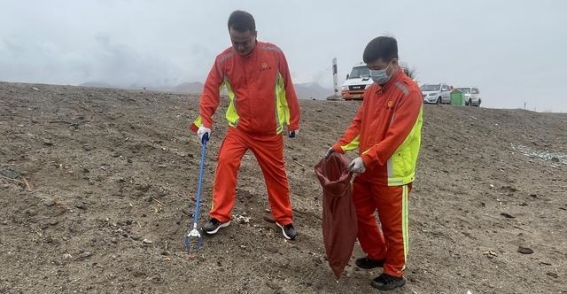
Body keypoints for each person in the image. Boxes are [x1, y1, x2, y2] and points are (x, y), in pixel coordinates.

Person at [190, 10, 301, 240]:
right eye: (235, 42)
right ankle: (220, 216)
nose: (240, 47)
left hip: (270, 131)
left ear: (255, 34)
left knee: (276, 174)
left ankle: (284, 218)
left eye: (245, 42)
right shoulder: (223, 60)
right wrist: (206, 122)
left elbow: (288, 87)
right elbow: (211, 90)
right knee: (225, 162)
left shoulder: (274, 54)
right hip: (240, 129)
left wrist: (293, 121)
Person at [325, 36, 423, 290]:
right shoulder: (371, 91)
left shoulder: (409, 93)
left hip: (393, 173)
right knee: (357, 212)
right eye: (370, 68)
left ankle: (395, 270)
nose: (373, 74)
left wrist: (366, 158)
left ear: (394, 62)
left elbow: (397, 137)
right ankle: (378, 253)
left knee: (394, 226)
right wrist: (340, 146)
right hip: (366, 168)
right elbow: (359, 124)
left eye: (378, 68)